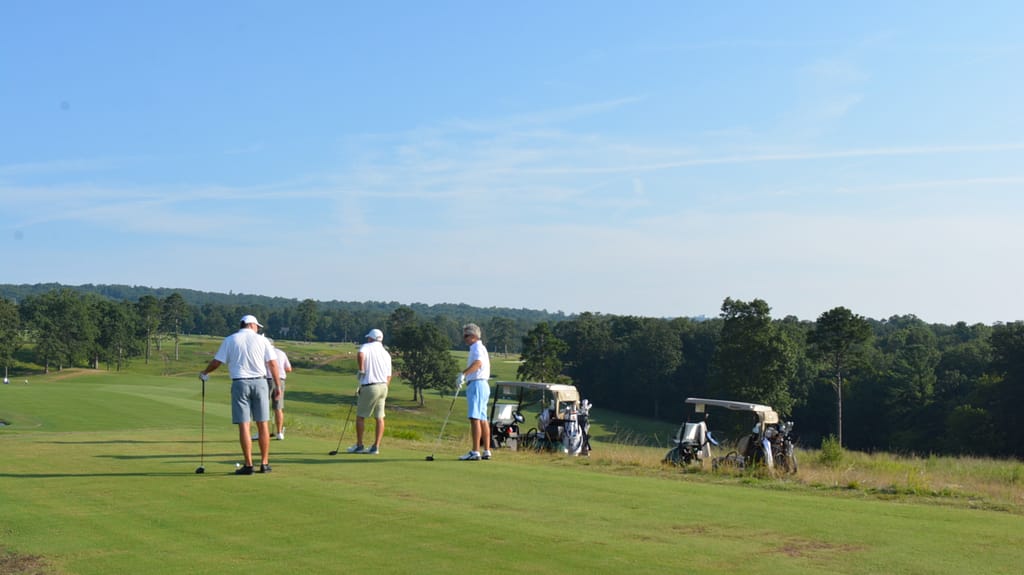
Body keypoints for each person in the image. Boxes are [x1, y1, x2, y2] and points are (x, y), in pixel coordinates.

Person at [199, 314, 282, 475]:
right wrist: (278, 386)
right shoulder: (263, 340)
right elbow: (272, 363)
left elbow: (217, 362)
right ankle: (264, 463)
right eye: (257, 326)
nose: (258, 328)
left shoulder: (230, 339)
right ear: (251, 325)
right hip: (260, 383)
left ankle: (249, 464)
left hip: (240, 383)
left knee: (244, 425)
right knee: (262, 423)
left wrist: (205, 372)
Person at [346, 328, 392, 455]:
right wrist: (384, 386)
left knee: (360, 417)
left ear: (371, 338)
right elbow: (389, 376)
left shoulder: (367, 346)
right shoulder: (386, 353)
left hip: (370, 386)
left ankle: (359, 445)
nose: (367, 339)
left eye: (368, 337)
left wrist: (361, 370)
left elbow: (360, 354)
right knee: (380, 417)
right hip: (383, 387)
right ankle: (375, 447)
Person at [458, 323, 491, 461]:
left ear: (473, 336)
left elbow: (478, 363)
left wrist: (463, 374)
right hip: (483, 385)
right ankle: (487, 451)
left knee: (475, 418)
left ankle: (475, 451)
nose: (464, 338)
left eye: (466, 335)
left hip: (477, 384)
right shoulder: (481, 347)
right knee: (482, 419)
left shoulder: (476, 347)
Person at [266, 338, 292, 440]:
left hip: (266, 380)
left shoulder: (264, 352)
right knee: (278, 408)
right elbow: (289, 369)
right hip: (280, 381)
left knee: (264, 408)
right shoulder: (281, 352)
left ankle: (263, 433)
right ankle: (279, 433)